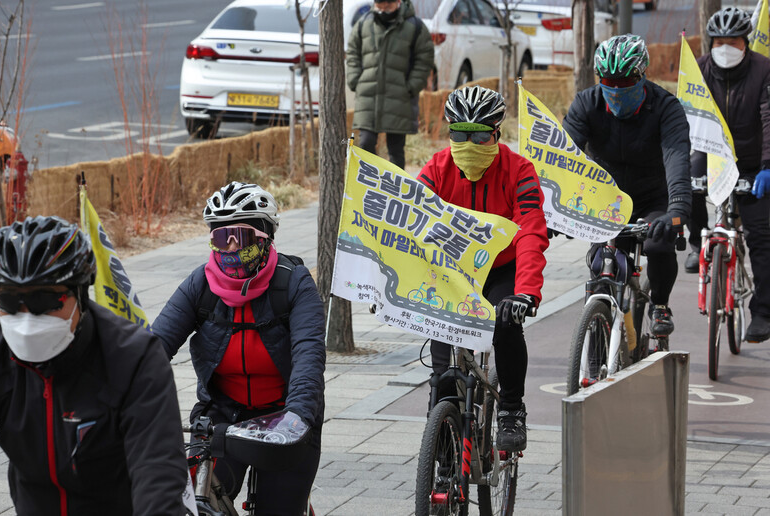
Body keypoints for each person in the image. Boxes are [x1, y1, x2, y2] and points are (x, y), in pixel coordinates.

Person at [0, 216, 188, 515]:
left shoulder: (134, 357)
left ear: (81, 294)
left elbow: (158, 474)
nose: (26, 318)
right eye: (8, 301)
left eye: (45, 301)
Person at [152, 182, 326, 514]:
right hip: (222, 416)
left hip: (286, 417)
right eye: (220, 238)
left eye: (240, 237)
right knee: (189, 502)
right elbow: (154, 346)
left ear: (265, 238)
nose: (230, 247)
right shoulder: (200, 284)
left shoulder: (295, 284)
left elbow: (309, 356)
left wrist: (298, 416)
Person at [417, 86, 549, 452]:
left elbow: (530, 232)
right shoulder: (437, 169)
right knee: (443, 376)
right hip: (452, 273)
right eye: (459, 134)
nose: (469, 144)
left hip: (501, 270)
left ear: (497, 134)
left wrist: (525, 292)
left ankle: (510, 408)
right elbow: (407, 223)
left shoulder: (519, 170)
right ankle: (441, 442)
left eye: (479, 135)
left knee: (507, 324)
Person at [563, 34, 693, 337]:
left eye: (626, 82)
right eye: (608, 82)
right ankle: (595, 340)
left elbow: (677, 160)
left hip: (653, 198)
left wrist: (676, 210)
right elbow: (561, 159)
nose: (616, 90)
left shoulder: (666, 107)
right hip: (606, 200)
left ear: (642, 75)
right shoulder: (586, 104)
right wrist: (553, 209)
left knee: (659, 245)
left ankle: (660, 303)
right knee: (600, 264)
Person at [684, 7, 770, 342]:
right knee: (687, 186)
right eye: (719, 40)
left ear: (745, 42)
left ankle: (762, 312)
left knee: (761, 236)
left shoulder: (764, 69)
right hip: (711, 154)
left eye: (732, 40)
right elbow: (685, 113)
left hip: (752, 160)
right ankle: (695, 244)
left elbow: (768, 119)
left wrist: (767, 166)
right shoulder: (701, 69)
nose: (725, 47)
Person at [346, 0, 435, 169]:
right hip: (368, 95)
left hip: (400, 96)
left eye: (388, 6)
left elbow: (425, 58)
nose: (384, 10)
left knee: (395, 149)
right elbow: (352, 52)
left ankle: (395, 192)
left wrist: (411, 86)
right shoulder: (364, 23)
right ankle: (369, 188)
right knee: (365, 143)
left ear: (398, 2)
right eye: (380, 6)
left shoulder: (414, 26)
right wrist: (355, 80)